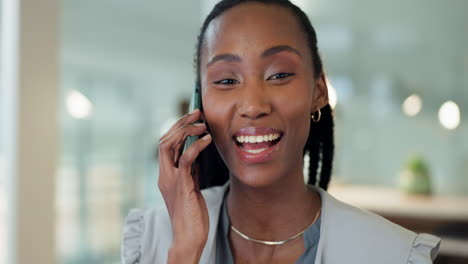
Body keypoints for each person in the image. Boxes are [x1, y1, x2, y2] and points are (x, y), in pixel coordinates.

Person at [121, 0, 441, 263]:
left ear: (318, 92)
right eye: (227, 80)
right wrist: (185, 252)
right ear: (199, 103)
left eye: (279, 74)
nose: (253, 105)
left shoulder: (392, 253)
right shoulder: (150, 241)